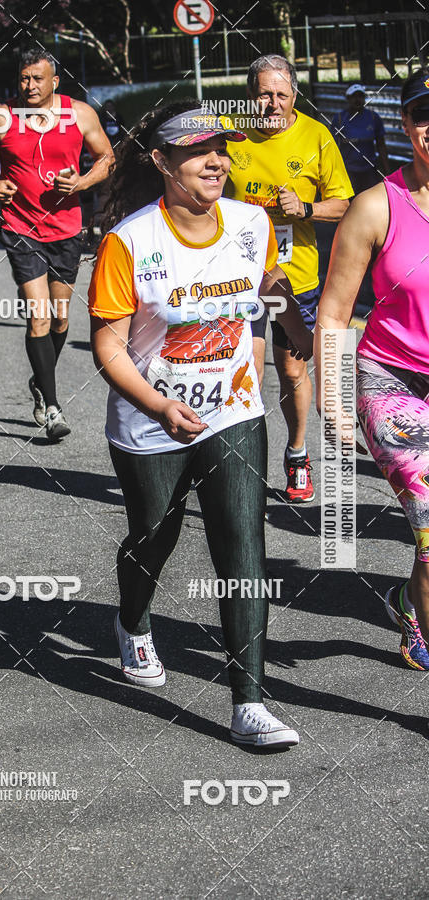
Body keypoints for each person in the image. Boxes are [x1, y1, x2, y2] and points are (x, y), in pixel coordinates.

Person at [89, 102, 313, 747]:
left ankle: (250, 702)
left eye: (221, 149)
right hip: (150, 420)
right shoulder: (129, 242)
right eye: (197, 151)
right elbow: (108, 346)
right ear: (161, 162)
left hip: (235, 411)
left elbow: (269, 291)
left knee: (243, 548)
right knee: (152, 537)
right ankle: (132, 623)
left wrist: (298, 329)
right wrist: (160, 405)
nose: (216, 161)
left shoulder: (250, 222)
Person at [315, 67, 429, 671]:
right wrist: (331, 399)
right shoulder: (375, 207)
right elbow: (333, 315)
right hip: (393, 382)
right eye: (422, 114)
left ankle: (411, 599)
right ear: (407, 123)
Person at [0, 47, 114, 441]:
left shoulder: (81, 113)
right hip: (20, 227)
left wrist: (82, 182)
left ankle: (39, 379)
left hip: (66, 229)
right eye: (24, 78)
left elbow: (107, 158)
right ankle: (52, 407)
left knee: (62, 318)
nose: (29, 86)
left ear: (55, 81)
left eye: (37, 78)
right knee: (40, 316)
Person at [225, 54, 352, 503]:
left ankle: (297, 453)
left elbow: (344, 204)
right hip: (238, 279)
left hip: (295, 277)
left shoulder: (316, 137)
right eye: (264, 93)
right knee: (248, 373)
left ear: (294, 95)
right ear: (249, 96)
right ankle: (244, 471)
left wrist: (307, 209)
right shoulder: (230, 133)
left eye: (281, 94)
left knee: (293, 370)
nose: (273, 102)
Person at [331, 84, 390, 195]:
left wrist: (387, 171)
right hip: (348, 171)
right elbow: (332, 147)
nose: (357, 100)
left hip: (369, 170)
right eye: (354, 96)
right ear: (348, 98)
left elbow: (381, 145)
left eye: (360, 96)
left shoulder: (373, 117)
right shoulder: (339, 119)